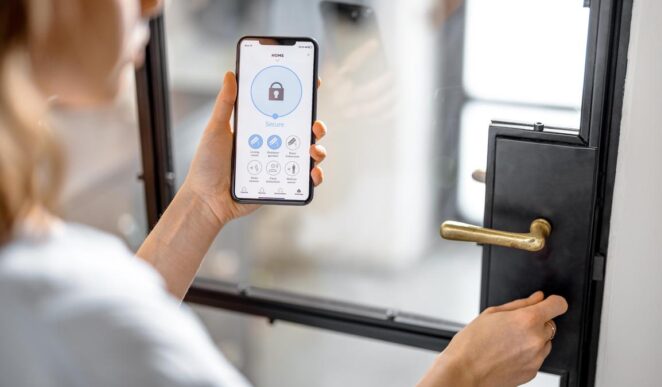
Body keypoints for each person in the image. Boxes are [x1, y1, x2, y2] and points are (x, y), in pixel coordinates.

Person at [0, 0, 568, 386]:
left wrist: (202, 203)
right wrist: (462, 374)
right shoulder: (48, 290)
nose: (154, 3)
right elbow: (93, 317)